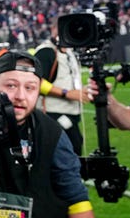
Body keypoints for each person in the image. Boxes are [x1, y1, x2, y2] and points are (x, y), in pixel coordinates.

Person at [0, 50, 94, 218]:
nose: (20, 96)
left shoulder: (50, 133)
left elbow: (75, 196)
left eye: (30, 88)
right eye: (11, 86)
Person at [34, 16, 90, 155]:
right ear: (53, 29)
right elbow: (36, 82)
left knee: (75, 147)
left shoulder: (69, 52)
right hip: (53, 113)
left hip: (69, 111)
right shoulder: (46, 51)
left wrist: (79, 91)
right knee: (66, 151)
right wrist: (67, 93)